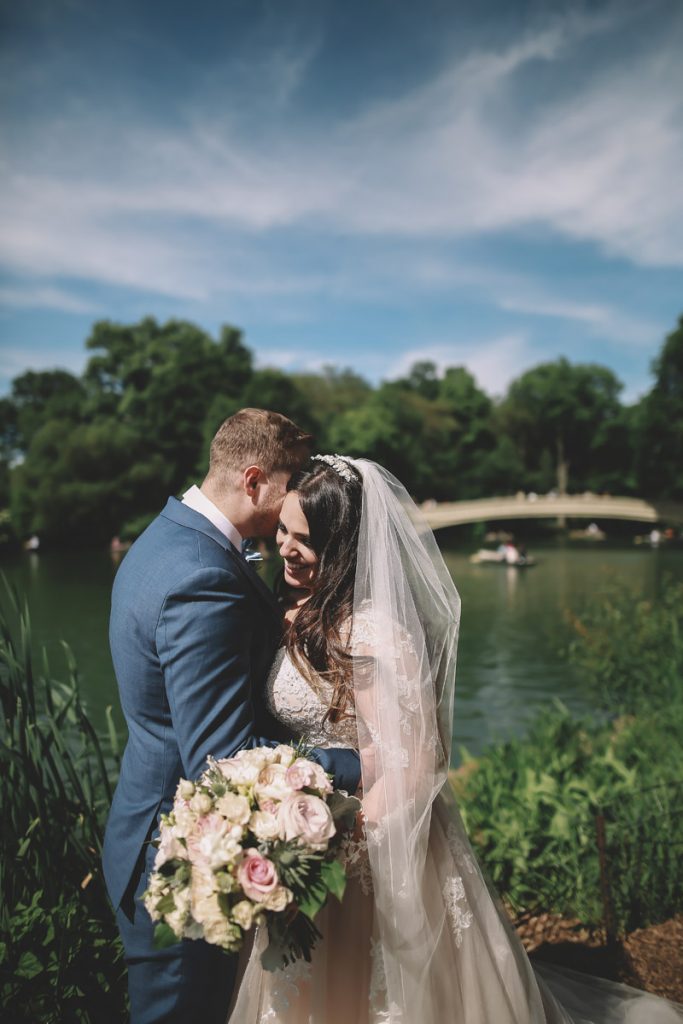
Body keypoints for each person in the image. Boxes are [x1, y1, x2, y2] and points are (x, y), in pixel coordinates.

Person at [228, 454, 682, 1023]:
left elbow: (416, 763)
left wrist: (329, 844)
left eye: (306, 540)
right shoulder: (287, 604)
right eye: (283, 531)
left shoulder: (373, 634)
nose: (286, 548)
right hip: (302, 829)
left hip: (366, 846)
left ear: (344, 548)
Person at [102, 412, 361, 1024]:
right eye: (291, 481)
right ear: (253, 480)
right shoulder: (203, 577)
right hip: (185, 860)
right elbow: (223, 758)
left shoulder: (168, 537)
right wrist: (356, 763)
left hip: (147, 825)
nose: (298, 497)